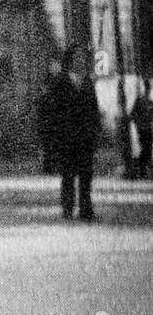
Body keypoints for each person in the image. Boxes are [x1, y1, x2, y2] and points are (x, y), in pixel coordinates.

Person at [38, 42, 101, 221]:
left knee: (86, 175)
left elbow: (93, 109)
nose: (80, 61)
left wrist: (95, 131)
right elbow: (52, 112)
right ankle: (67, 208)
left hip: (85, 137)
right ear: (70, 60)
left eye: (83, 57)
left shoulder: (88, 82)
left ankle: (86, 209)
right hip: (66, 138)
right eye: (77, 57)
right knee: (68, 175)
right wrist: (54, 137)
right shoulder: (60, 82)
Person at [131, 78, 152, 180]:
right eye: (147, 88)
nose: (148, 90)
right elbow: (133, 114)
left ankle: (142, 170)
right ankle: (140, 170)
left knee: (147, 150)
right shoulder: (139, 101)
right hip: (141, 129)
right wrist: (139, 124)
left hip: (149, 129)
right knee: (143, 149)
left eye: (149, 88)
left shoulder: (150, 103)